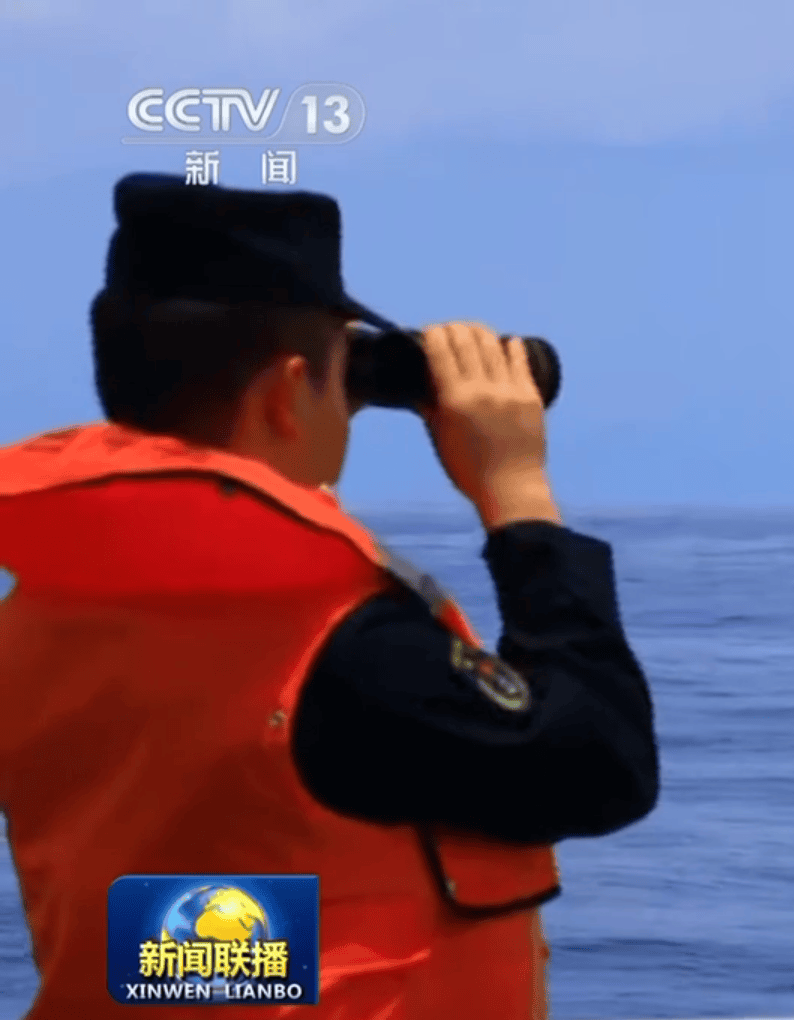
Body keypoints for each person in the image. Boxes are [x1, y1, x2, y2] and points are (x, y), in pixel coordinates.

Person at [0, 174, 661, 1018]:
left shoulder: (37, 625)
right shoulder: (343, 652)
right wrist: (518, 492)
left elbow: (222, 896)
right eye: (344, 375)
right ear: (286, 395)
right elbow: (599, 764)